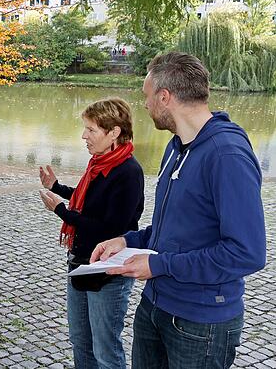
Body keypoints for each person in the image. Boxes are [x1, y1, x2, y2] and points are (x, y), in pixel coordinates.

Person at [92, 51, 267, 369]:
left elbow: (247, 253)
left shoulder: (226, 155)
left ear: (164, 97)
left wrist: (160, 265)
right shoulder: (175, 147)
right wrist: (128, 241)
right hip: (155, 307)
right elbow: (173, 230)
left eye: (147, 97)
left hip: (201, 324)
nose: (144, 106)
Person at [38, 98, 144, 369]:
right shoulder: (99, 163)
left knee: (105, 352)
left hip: (108, 273)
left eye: (91, 130)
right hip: (81, 264)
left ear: (114, 133)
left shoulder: (128, 172)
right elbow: (89, 201)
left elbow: (109, 229)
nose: (84, 136)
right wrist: (58, 187)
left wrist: (61, 211)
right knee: (80, 343)